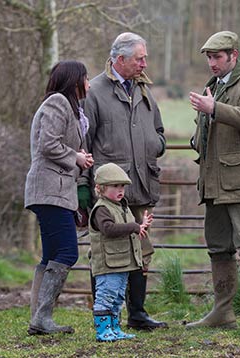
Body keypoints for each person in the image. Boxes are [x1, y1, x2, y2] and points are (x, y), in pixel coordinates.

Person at [82, 32, 167, 330]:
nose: (145, 63)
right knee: (106, 253)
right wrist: (84, 190)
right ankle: (105, 317)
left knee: (141, 251)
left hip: (141, 184)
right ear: (120, 59)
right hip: (107, 190)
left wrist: (154, 144)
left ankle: (138, 314)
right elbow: (84, 142)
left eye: (144, 57)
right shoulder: (94, 91)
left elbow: (159, 130)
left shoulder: (144, 89)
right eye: (139, 58)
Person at [187, 31, 240, 331]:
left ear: (233, 56)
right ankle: (223, 312)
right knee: (218, 247)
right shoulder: (213, 87)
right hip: (215, 184)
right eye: (209, 57)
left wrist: (214, 110)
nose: (212, 63)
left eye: (217, 57)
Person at [24, 60, 94, 335]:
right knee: (67, 252)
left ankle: (39, 319)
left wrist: (79, 159)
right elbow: (48, 143)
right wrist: (75, 157)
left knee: (51, 255)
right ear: (75, 81)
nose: (89, 84)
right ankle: (42, 318)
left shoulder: (72, 109)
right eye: (86, 79)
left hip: (53, 190)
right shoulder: (58, 103)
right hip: (50, 189)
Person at [89, 163, 154, 342]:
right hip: (108, 264)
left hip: (122, 262)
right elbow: (108, 229)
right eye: (115, 186)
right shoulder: (102, 209)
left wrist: (141, 226)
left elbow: (126, 229)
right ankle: (103, 330)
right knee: (106, 296)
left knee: (117, 297)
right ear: (101, 188)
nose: (120, 190)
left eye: (122, 186)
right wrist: (134, 227)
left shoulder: (121, 207)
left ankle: (114, 328)